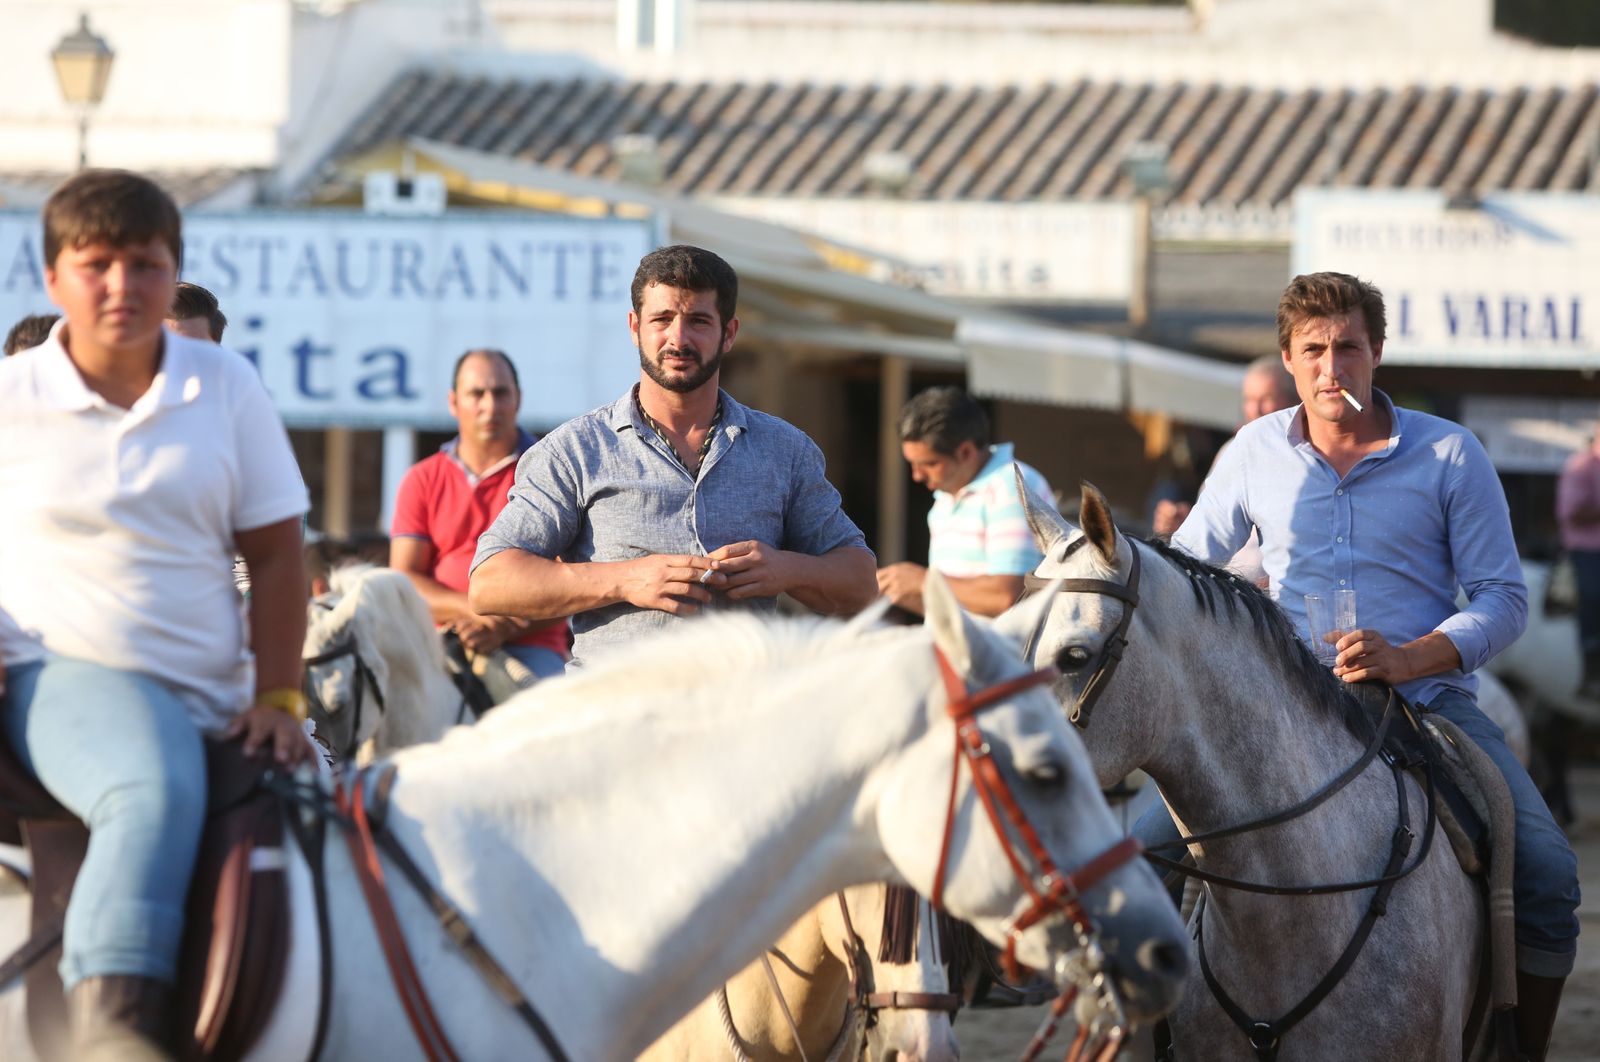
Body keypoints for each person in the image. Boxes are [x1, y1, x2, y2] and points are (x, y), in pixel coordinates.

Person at [1166, 271, 1578, 1059]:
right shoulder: (1253, 450)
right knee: (1139, 854)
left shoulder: (1451, 452)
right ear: (1288, 360)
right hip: (1277, 712)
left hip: (1427, 706)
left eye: (1347, 347)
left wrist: (1412, 654)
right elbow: (1191, 571)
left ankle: (1519, 1049)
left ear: (1377, 353)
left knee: (1551, 876)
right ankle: (1158, 1033)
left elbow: (1503, 597)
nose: (1332, 368)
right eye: (1313, 350)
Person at [0, 170, 312, 1059]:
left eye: (145, 265)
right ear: (54, 275)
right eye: (95, 264)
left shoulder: (227, 386)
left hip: (217, 690)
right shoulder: (10, 398)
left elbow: (280, 556)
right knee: (153, 782)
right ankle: (113, 1033)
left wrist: (281, 699)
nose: (121, 287)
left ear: (172, 274)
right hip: (57, 677)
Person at [469, 244, 876, 665]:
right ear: (634, 327)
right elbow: (491, 582)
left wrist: (787, 569)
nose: (678, 338)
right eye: (662, 319)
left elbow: (861, 584)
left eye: (699, 321)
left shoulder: (785, 450)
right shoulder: (575, 449)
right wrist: (627, 579)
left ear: (729, 333)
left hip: (744, 714)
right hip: (619, 715)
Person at [390, 349, 569, 682]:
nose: (490, 405)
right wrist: (471, 609)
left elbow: (568, 577)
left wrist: (504, 627)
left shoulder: (550, 472)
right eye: (476, 394)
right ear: (453, 402)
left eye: (500, 393)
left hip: (531, 646)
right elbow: (404, 581)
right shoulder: (422, 478)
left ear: (518, 399)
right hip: (436, 643)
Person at [875, 385, 1052, 617]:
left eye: (929, 464)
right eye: (912, 464)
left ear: (966, 452)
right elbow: (952, 610)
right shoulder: (945, 496)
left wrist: (923, 581)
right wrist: (896, 588)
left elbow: (1009, 597)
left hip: (1001, 653)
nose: (917, 476)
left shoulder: (1011, 486)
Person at [1151, 354, 1297, 539]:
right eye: (1249, 399)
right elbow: (1215, 524)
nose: (1256, 409)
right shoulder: (1233, 450)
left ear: (1294, 400)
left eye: (1266, 398)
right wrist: (1183, 523)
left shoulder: (1303, 455)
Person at [1556, 424, 1600, 699]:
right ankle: (1591, 672)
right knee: (1593, 595)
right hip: (1587, 549)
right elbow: (1571, 514)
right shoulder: (1580, 466)